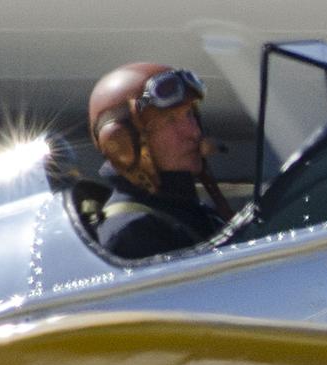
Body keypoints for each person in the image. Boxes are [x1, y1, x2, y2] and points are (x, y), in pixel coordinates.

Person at [88, 63, 230, 259]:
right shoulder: (131, 235)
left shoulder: (189, 211)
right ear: (124, 145)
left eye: (189, 114)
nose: (194, 132)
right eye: (170, 121)